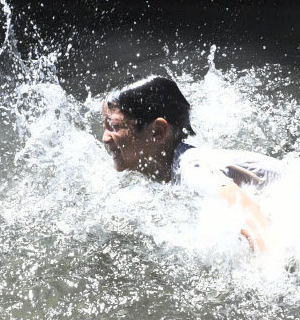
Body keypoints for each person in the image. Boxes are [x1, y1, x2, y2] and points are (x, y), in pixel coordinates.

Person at [101, 76, 280, 254]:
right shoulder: (173, 165)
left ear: (157, 132)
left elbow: (246, 211)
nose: (105, 138)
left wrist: (273, 268)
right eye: (104, 126)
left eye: (114, 126)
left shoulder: (192, 169)